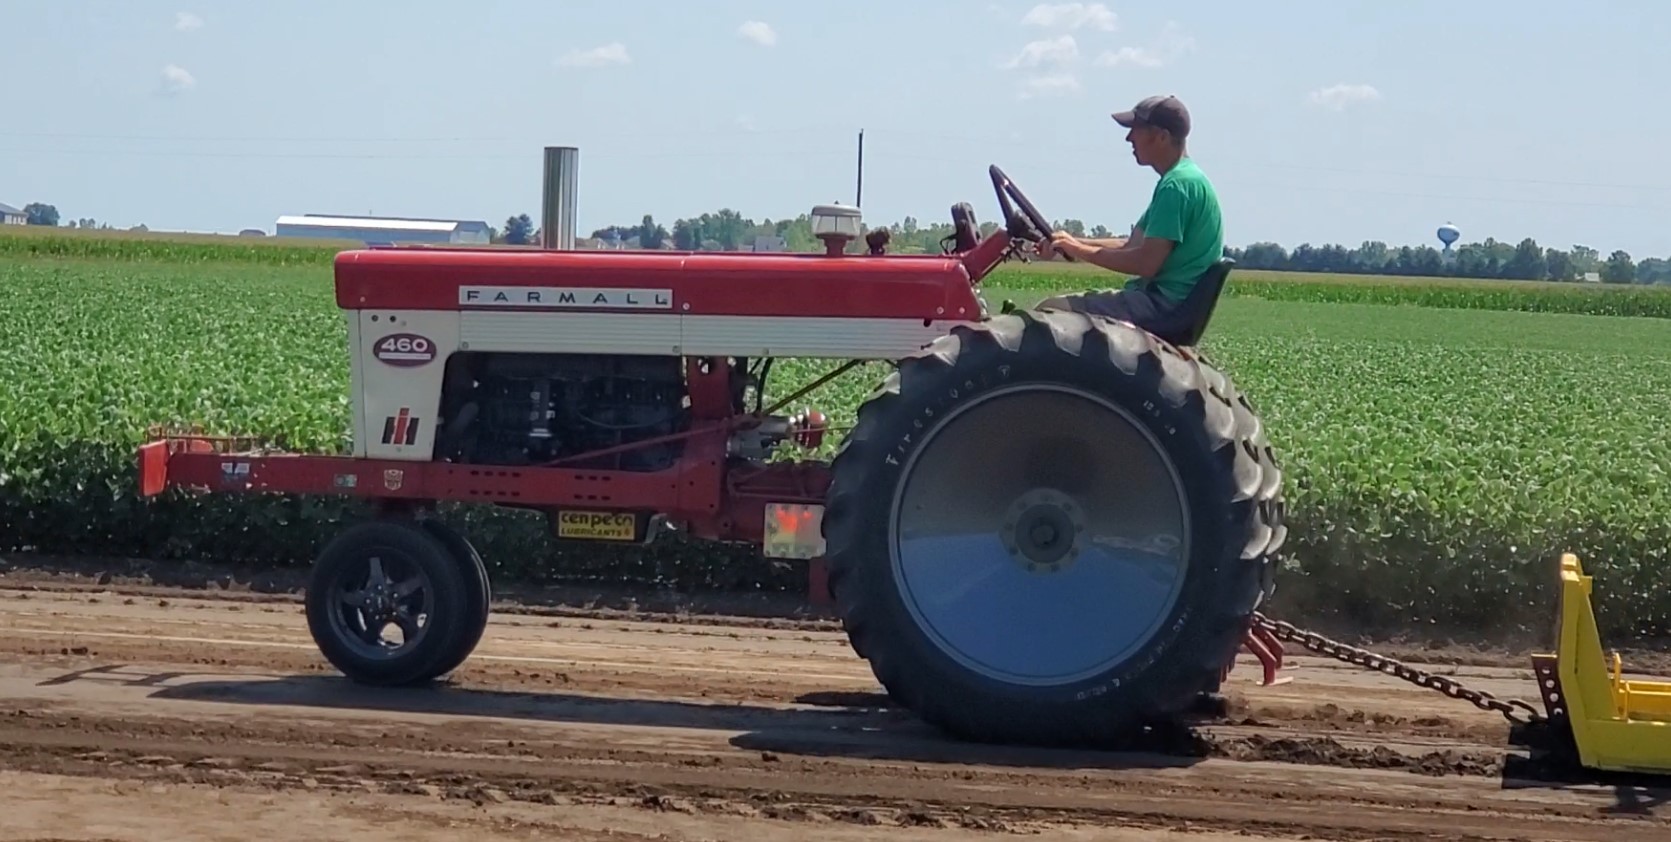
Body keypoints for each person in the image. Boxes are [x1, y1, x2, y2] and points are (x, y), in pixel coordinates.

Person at [1036, 95, 1223, 329]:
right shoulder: (1185, 180)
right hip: (1164, 302)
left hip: (1160, 305)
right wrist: (1069, 242)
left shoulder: (1177, 187)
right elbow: (1132, 245)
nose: (1129, 137)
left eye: (1137, 129)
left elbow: (1145, 263)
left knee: (1051, 311)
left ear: (1162, 137)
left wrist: (1078, 250)